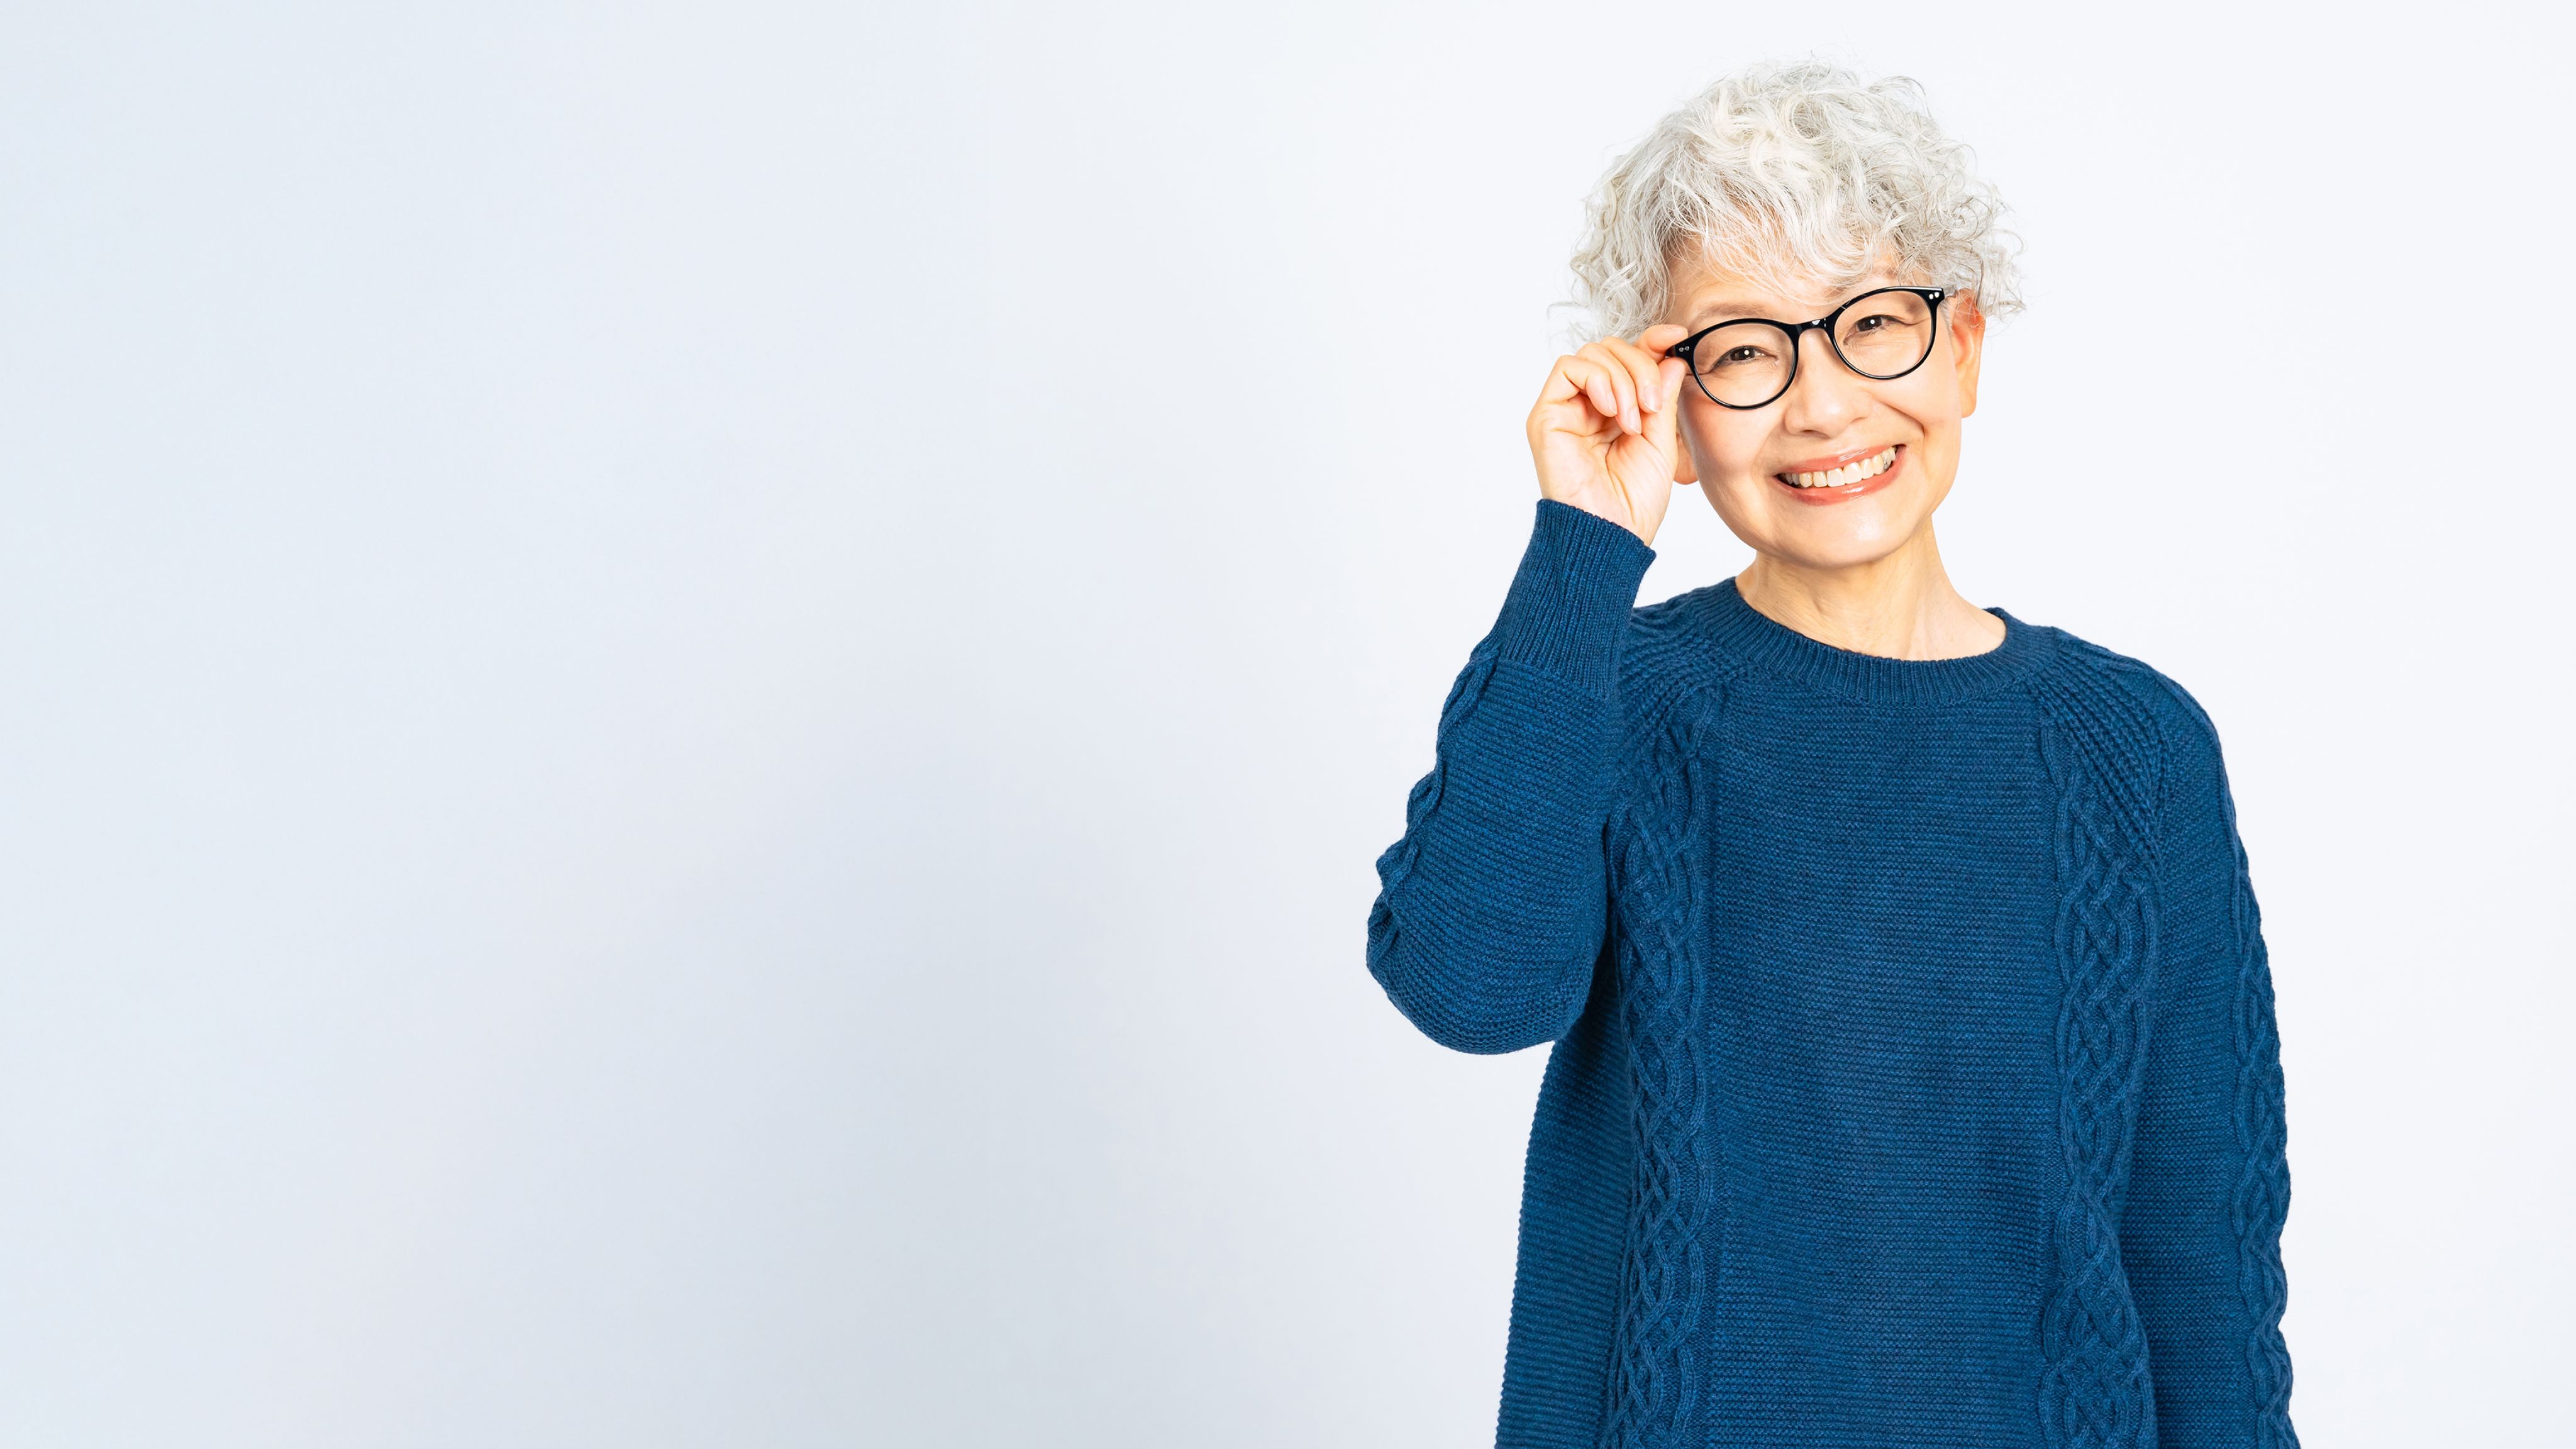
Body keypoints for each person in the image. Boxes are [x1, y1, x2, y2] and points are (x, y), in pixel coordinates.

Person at [1364, 61, 2297, 1449]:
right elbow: (1467, 986)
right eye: (1743, 351)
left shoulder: (2134, 749)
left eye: (1872, 324)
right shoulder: (1604, 689)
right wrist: (1581, 548)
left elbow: (2203, 1273)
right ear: (1670, 406)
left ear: (1962, 348)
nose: (1819, 405)